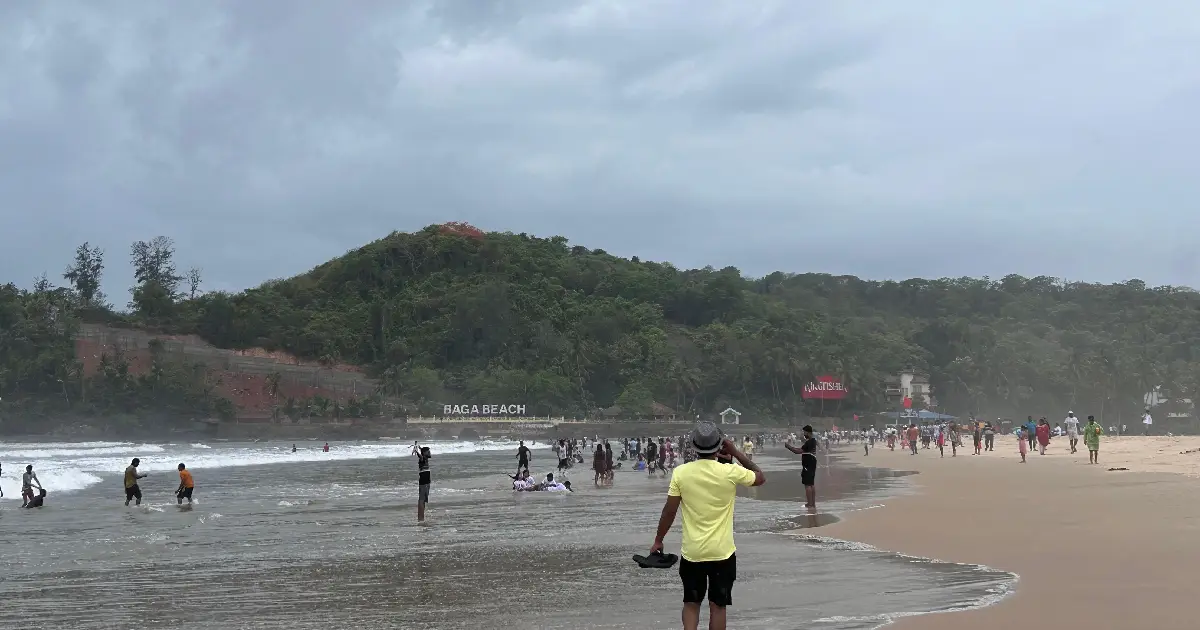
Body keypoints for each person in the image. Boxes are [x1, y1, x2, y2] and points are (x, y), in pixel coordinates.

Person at [649, 422, 765, 630]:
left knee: (691, 604)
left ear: (694, 447)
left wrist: (659, 539)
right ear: (719, 446)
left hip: (693, 552)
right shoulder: (730, 471)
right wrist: (736, 452)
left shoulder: (681, 473)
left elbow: (669, 511)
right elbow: (760, 477)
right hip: (722, 552)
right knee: (718, 606)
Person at [784, 425, 819, 508]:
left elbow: (797, 451)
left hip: (808, 463)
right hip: (812, 462)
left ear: (808, 432)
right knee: (811, 483)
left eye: (804, 432)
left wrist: (788, 446)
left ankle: (810, 504)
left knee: (807, 484)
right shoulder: (813, 441)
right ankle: (812, 503)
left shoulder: (809, 442)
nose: (803, 434)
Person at [416, 446, 431, 522]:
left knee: (424, 499)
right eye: (428, 451)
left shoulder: (426, 459)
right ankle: (420, 518)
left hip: (427, 482)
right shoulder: (422, 459)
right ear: (424, 453)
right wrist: (417, 451)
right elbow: (420, 456)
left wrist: (420, 448)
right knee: (421, 500)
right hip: (424, 481)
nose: (430, 453)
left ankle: (422, 517)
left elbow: (422, 455)